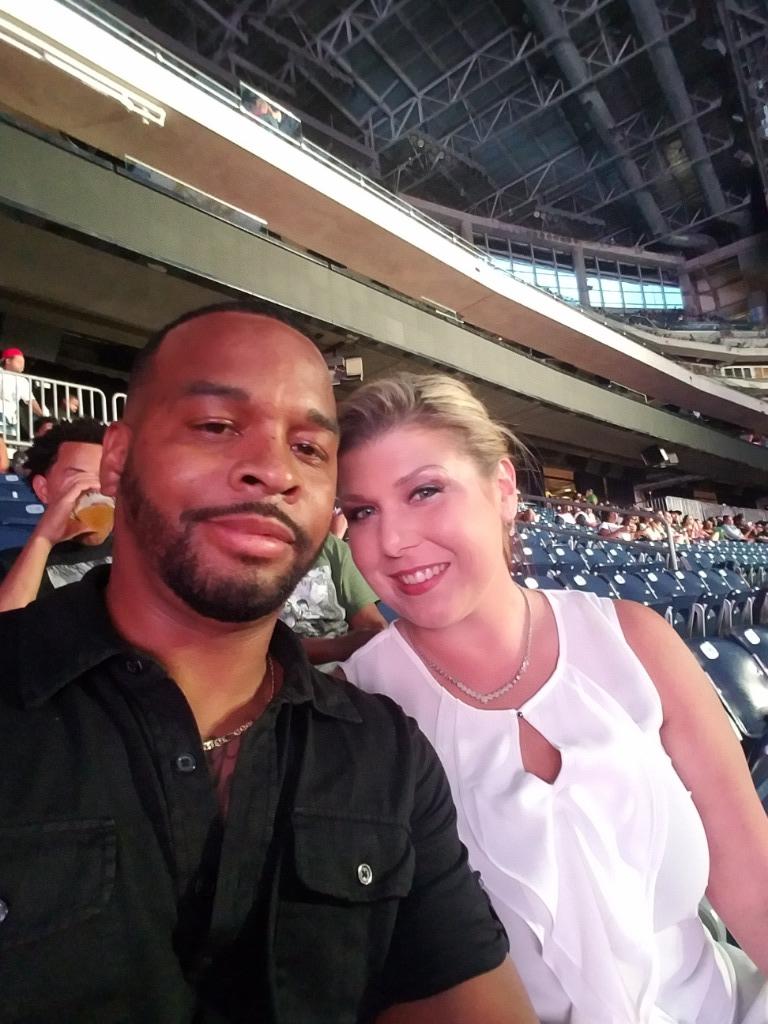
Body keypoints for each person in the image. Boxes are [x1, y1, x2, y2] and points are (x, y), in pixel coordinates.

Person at [0, 305, 534, 1024]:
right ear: (119, 456)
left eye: (311, 449)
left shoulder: (387, 755)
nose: (275, 469)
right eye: (217, 426)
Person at [336, 371, 768, 1024]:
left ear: (503, 489)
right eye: (363, 511)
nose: (390, 541)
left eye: (425, 491)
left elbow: (751, 878)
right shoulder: (356, 708)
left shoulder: (634, 640)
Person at [0, 419, 112, 611]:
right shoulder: (12, 566)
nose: (95, 486)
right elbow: (7, 634)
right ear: (43, 489)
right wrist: (42, 541)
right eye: (78, 476)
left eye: (103, 475)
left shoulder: (139, 548)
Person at [279, 530, 386, 663]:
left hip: (345, 666)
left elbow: (372, 626)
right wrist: (336, 647)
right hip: (280, 670)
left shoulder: (331, 547)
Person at [0, 346, 45, 440]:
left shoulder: (23, 380)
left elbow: (30, 401)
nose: (22, 365)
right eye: (19, 362)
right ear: (8, 361)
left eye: (23, 363)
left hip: (10, 421)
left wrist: (43, 417)